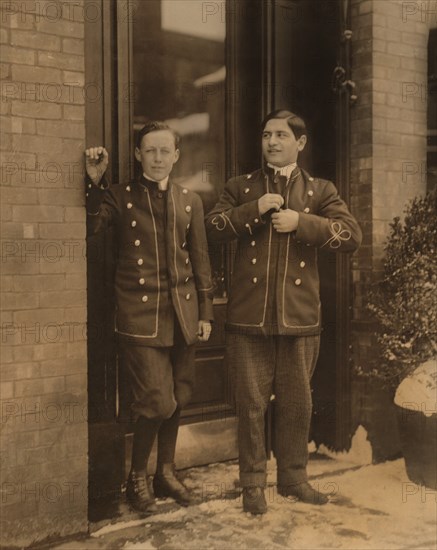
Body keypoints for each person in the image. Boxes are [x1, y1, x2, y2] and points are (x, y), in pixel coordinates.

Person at [205, 109, 362, 515]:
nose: (271, 142)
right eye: (266, 136)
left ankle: (293, 479)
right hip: (248, 317)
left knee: (297, 403)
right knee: (252, 403)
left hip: (299, 317)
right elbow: (212, 228)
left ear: (300, 143)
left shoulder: (320, 190)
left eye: (280, 135)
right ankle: (253, 485)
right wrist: (253, 208)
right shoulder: (241, 187)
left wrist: (302, 222)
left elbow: (351, 235)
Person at [85, 121, 214, 515]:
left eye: (165, 151)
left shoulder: (190, 200)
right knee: (157, 401)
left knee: (179, 397)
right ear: (139, 155)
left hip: (183, 312)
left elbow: (201, 261)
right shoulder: (119, 196)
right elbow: (90, 226)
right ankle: (137, 476)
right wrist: (93, 183)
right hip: (139, 315)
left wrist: (206, 312)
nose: (158, 158)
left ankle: (166, 472)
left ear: (176, 155)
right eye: (150, 151)